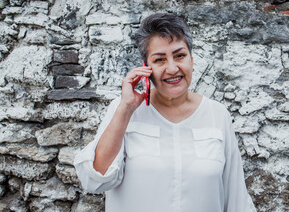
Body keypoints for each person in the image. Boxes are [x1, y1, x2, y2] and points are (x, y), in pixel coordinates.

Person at [74, 13, 256, 212]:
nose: (172, 68)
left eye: (179, 56)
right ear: (146, 67)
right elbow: (94, 180)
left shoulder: (217, 114)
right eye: (160, 60)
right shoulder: (124, 110)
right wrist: (125, 109)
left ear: (192, 60)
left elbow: (236, 197)